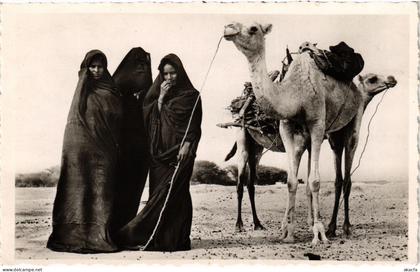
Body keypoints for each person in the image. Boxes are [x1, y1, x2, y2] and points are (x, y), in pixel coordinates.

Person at [114, 54, 202, 252]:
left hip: (181, 153)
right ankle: (158, 238)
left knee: (177, 194)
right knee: (158, 195)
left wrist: (187, 144)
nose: (169, 78)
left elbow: (195, 125)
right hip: (158, 155)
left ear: (180, 73)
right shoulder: (156, 96)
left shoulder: (192, 96)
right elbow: (149, 118)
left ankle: (178, 240)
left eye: (173, 73)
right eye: (165, 74)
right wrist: (161, 98)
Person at [47, 50, 122, 253]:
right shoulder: (81, 90)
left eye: (100, 66)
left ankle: (99, 236)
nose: (97, 70)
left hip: (105, 150)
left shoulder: (112, 91)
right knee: (78, 188)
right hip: (80, 151)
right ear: (86, 68)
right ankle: (72, 235)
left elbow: (118, 120)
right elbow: (74, 124)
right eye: (93, 66)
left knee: (102, 191)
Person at [110, 47, 153, 233]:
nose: (141, 69)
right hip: (120, 151)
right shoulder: (116, 90)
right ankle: (112, 231)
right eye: (137, 65)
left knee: (133, 192)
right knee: (117, 192)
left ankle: (124, 230)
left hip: (140, 153)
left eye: (144, 65)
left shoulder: (150, 92)